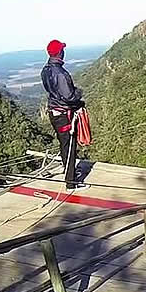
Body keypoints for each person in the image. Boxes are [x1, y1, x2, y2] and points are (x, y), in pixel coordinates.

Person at [40, 39, 85, 190]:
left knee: (64, 144)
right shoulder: (60, 73)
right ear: (60, 52)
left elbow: (55, 92)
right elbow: (69, 96)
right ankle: (71, 183)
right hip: (64, 114)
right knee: (70, 146)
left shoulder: (45, 70)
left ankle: (69, 173)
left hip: (54, 112)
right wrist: (78, 93)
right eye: (62, 50)